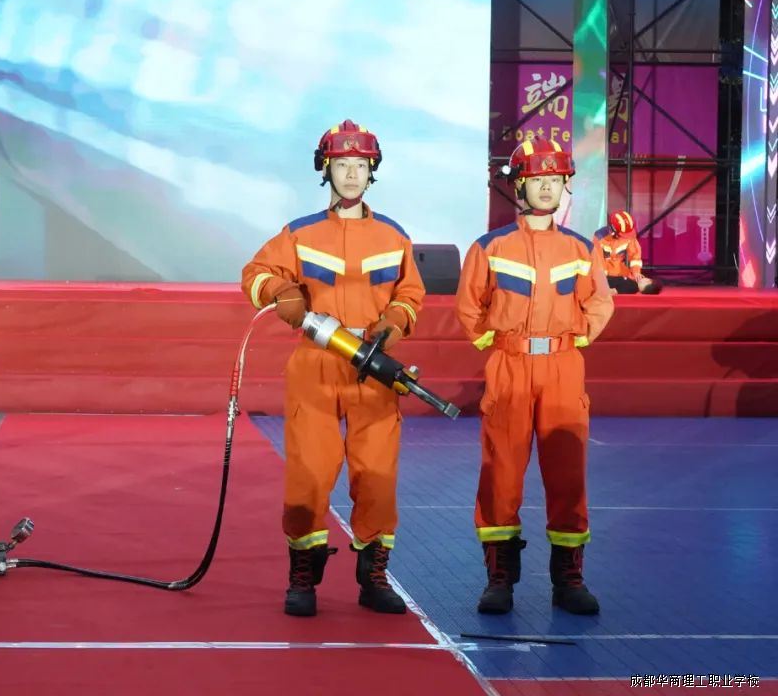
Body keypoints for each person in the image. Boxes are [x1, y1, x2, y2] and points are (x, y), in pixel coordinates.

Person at [240, 119, 425, 617]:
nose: (351, 174)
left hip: (373, 363)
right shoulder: (300, 233)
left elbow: (410, 292)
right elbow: (255, 273)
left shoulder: (393, 236)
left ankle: (374, 577)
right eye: (342, 164)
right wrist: (280, 291)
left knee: (377, 473)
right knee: (310, 470)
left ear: (372, 171)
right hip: (317, 360)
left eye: (360, 165)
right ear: (326, 169)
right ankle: (303, 577)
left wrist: (394, 322)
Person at [455, 137, 613, 615]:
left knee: (567, 473)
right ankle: (499, 578)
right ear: (519, 186)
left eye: (555, 179)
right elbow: (469, 307)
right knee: (501, 472)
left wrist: (575, 340)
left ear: (565, 186)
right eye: (537, 178)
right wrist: (499, 343)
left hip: (563, 368)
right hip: (509, 367)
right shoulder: (490, 247)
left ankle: (569, 580)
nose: (547, 187)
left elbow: (600, 302)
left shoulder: (581, 249)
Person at [594, 210, 662, 294]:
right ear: (612, 230)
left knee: (631, 284)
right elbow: (598, 260)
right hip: (603, 274)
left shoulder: (629, 235)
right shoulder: (599, 238)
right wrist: (602, 277)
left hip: (619, 273)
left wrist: (636, 272)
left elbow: (635, 256)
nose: (627, 236)